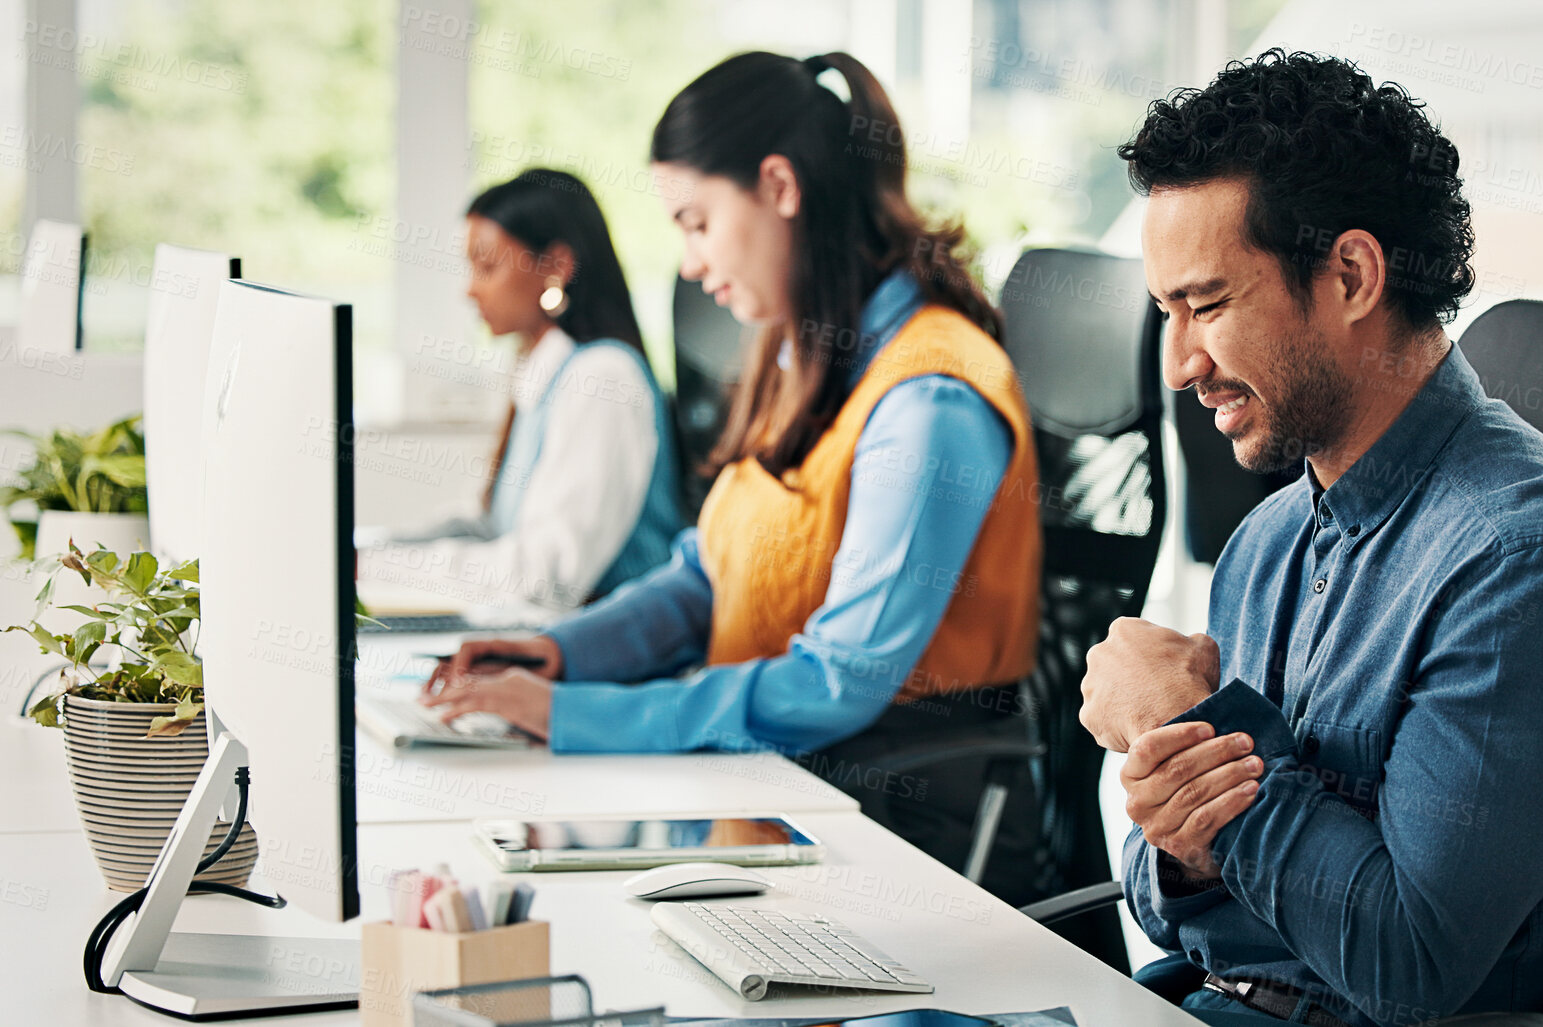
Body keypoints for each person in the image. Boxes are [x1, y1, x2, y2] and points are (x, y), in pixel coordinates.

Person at [1074, 50, 1543, 1025]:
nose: (1182, 363)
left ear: (1352, 274)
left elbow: (1407, 962)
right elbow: (1170, 904)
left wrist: (1185, 740)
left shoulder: (1529, 568)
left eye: (1211, 303)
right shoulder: (1267, 543)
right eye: (1166, 313)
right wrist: (1194, 827)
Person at [421, 52, 1047, 900]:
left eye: (696, 220)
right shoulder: (806, 357)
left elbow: (839, 679)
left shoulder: (929, 395)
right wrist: (558, 658)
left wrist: (577, 717)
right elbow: (705, 577)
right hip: (776, 790)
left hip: (893, 827)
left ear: (779, 187)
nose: (687, 261)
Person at [360, 168, 687, 611]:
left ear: (555, 266)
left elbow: (544, 577)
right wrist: (373, 550)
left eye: (487, 266)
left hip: (614, 656)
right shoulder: (543, 371)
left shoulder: (604, 380)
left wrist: (377, 566)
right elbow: (492, 525)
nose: (470, 290)